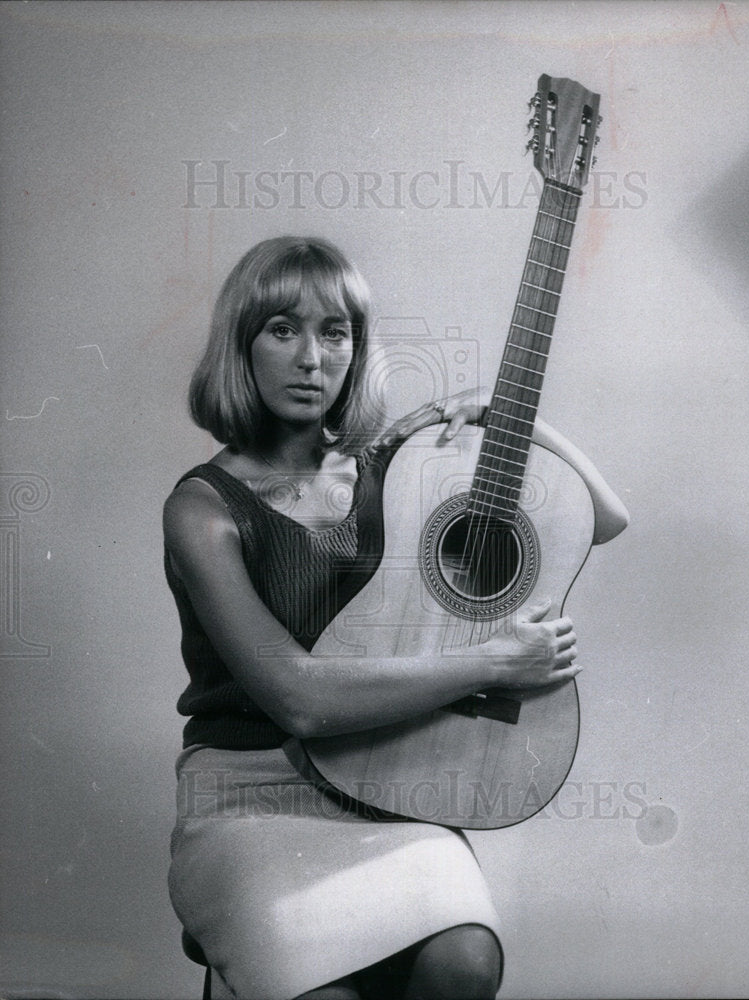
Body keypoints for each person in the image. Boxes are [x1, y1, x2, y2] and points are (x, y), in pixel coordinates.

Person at [163, 235, 628, 1000]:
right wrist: (496, 664)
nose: (311, 358)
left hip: (386, 782)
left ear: (357, 348)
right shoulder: (201, 507)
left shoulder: (396, 472)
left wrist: (505, 416)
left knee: (465, 964)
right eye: (283, 330)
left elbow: (602, 519)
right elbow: (299, 700)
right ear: (240, 346)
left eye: (334, 332)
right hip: (248, 793)